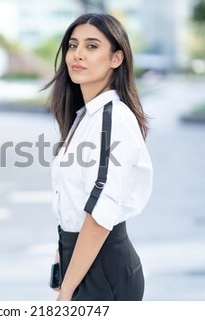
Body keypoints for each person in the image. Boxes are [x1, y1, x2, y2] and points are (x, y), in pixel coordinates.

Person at [45, 13, 153, 301]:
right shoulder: (84, 117)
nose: (77, 54)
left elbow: (101, 212)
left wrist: (67, 289)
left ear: (116, 58)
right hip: (81, 259)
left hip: (104, 268)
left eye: (92, 46)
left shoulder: (112, 119)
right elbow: (73, 197)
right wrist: (62, 253)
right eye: (72, 45)